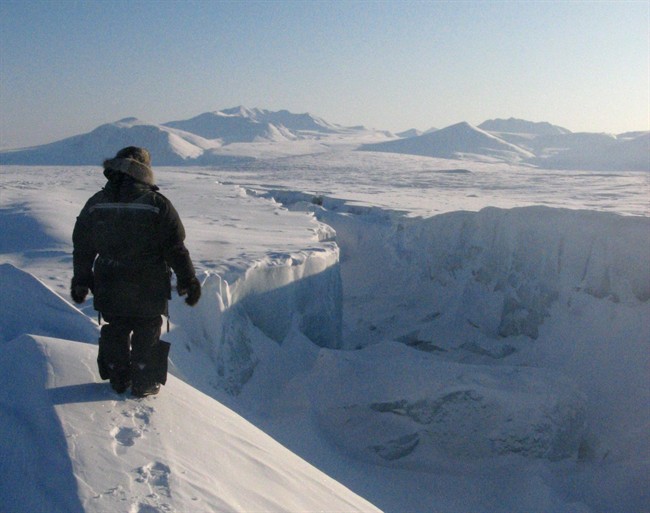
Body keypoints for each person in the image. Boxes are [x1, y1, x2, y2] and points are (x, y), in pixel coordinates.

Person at [71, 146, 201, 397]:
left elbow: (83, 246)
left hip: (109, 280)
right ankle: (144, 381)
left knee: (116, 326)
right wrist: (188, 280)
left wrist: (82, 279)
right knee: (147, 327)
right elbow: (175, 247)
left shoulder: (97, 203)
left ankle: (118, 378)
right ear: (144, 171)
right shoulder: (156, 204)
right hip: (148, 282)